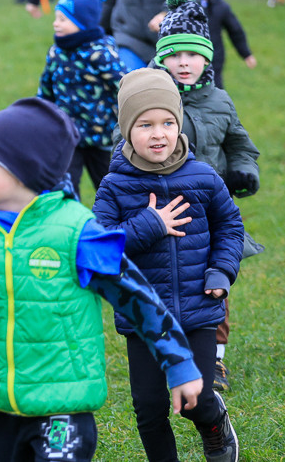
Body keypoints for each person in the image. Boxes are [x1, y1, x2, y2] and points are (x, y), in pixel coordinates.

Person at [0, 98, 203, 462]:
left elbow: (138, 298)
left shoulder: (78, 232)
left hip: (61, 409)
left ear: (23, 170)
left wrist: (179, 363)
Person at [93, 68, 244, 462]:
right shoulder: (114, 186)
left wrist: (221, 271)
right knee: (149, 409)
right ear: (127, 129)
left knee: (196, 399)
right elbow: (100, 247)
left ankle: (215, 426)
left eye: (168, 123)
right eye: (145, 124)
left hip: (198, 308)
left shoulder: (204, 177)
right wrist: (150, 224)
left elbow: (231, 226)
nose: (158, 133)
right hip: (144, 315)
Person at [154, 0, 262, 393]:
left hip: (212, 212)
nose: (184, 63)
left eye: (193, 54)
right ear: (162, 58)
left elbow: (239, 144)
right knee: (168, 283)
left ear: (207, 58)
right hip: (165, 212)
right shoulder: (148, 98)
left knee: (215, 283)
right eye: (175, 55)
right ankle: (170, 353)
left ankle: (214, 361)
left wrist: (244, 169)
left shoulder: (220, 101)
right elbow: (122, 143)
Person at [36, 0, 125, 198]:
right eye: (56, 18)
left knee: (108, 185)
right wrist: (40, 114)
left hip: (101, 135)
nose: (55, 23)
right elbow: (46, 88)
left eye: (63, 19)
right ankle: (71, 215)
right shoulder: (56, 52)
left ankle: (113, 215)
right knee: (65, 185)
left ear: (83, 23)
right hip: (67, 134)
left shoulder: (101, 54)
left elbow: (123, 86)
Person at [150, 0, 256, 90]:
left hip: (214, 60)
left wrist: (246, 54)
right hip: (184, 57)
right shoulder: (185, 9)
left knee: (213, 88)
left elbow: (235, 31)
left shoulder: (221, 7)